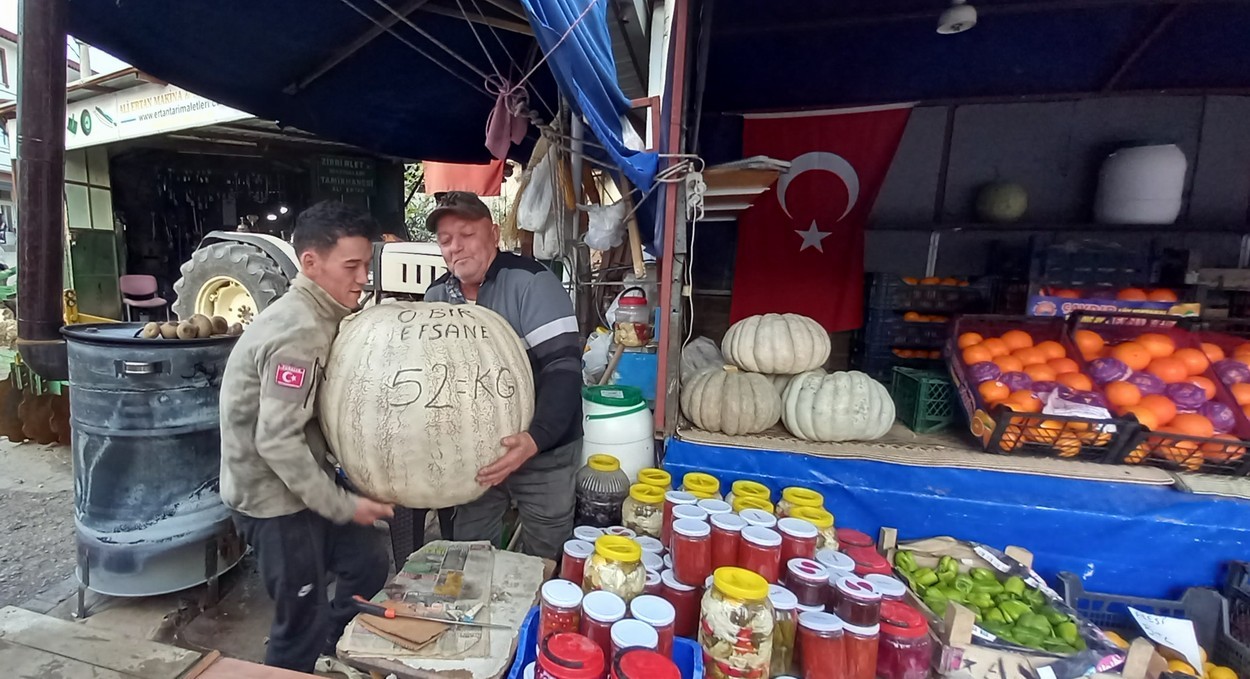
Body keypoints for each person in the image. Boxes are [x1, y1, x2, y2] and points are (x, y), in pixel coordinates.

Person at [219, 200, 395, 673]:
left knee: (367, 566)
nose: (362, 278)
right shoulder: (296, 332)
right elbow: (275, 441)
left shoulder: (326, 314)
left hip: (307, 482)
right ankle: (301, 656)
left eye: (367, 265)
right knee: (298, 620)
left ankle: (330, 647)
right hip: (273, 499)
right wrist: (345, 504)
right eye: (351, 266)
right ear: (311, 263)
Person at [423, 190, 582, 560]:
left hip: (544, 447)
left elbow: (564, 369)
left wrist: (535, 438)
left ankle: (543, 615)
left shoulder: (532, 282)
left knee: (547, 549)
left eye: (466, 235)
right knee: (470, 547)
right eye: (446, 240)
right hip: (475, 451)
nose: (455, 248)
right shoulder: (436, 297)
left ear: (494, 235)